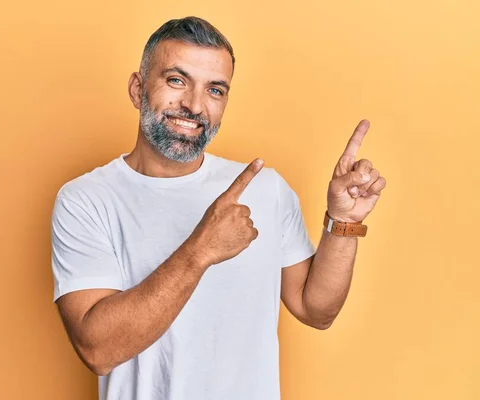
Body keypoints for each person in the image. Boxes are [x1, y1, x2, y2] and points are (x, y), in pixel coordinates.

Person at [50, 16, 386, 400]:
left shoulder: (265, 189)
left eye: (215, 90)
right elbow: (99, 350)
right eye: (176, 80)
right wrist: (202, 249)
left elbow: (316, 311)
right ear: (137, 88)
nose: (194, 105)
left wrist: (342, 223)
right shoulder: (86, 199)